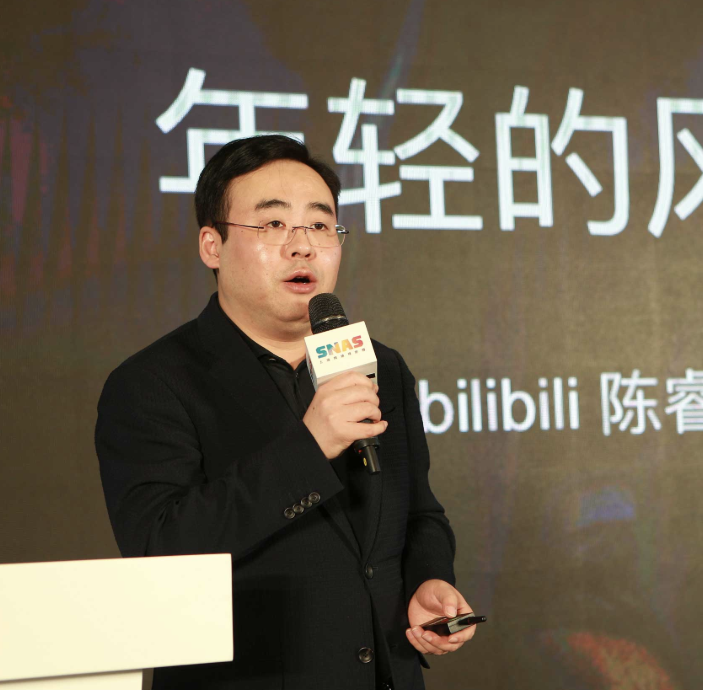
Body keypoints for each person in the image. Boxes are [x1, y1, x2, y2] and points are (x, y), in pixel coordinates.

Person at [96, 134, 475, 689]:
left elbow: (419, 512)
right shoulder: (153, 383)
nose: (303, 247)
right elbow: (160, 547)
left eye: (320, 225)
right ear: (212, 246)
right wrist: (309, 447)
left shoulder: (381, 366)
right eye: (273, 224)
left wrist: (427, 578)